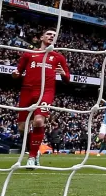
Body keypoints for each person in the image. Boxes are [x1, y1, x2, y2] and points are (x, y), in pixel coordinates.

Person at [17, 29, 70, 169]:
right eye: (49, 34)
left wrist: (64, 74)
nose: (51, 36)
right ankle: (34, 151)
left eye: (54, 35)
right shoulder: (29, 54)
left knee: (39, 121)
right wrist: (15, 73)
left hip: (46, 92)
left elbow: (67, 79)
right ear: (41, 37)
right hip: (27, 90)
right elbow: (18, 72)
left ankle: (32, 157)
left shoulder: (58, 57)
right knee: (22, 128)